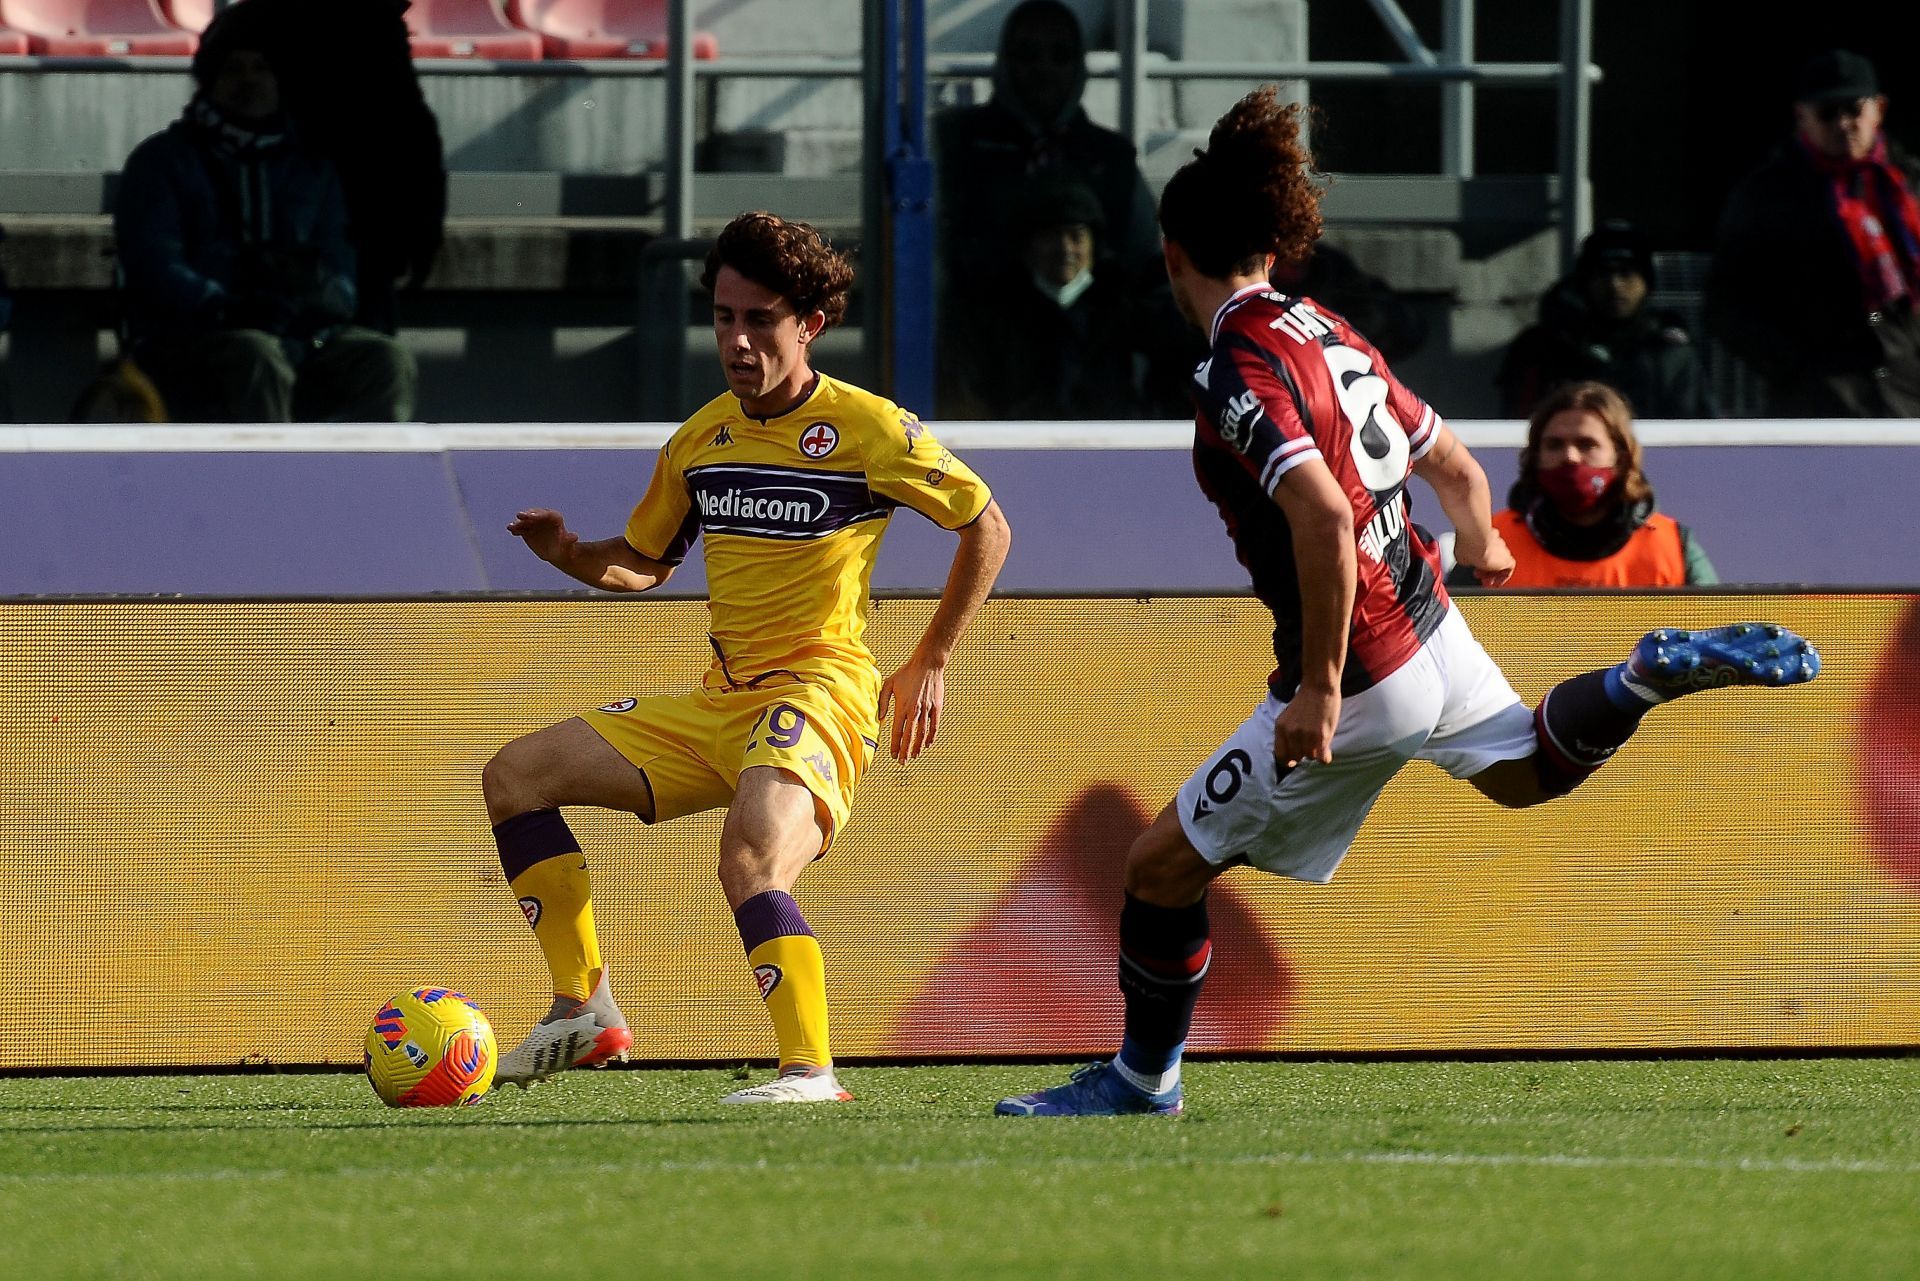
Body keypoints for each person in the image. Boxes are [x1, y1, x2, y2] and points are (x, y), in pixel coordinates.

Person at [995, 88, 1819, 1118]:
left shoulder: (1235, 364)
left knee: (1160, 868)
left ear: (1170, 254)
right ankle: (1638, 678)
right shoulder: (1326, 326)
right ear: (1269, 244)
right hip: (1428, 615)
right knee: (1521, 771)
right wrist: (1478, 541)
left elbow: (1324, 520)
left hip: (1366, 666)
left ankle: (1139, 1080)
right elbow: (1455, 463)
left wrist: (1320, 693)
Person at [485, 211, 1011, 1103]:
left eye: (759, 318)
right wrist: (570, 553)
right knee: (514, 775)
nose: (736, 338)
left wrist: (932, 658)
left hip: (823, 692)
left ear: (809, 322)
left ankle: (809, 1071)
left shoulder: (869, 430)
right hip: (719, 702)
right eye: (724, 317)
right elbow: (646, 562)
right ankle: (584, 1006)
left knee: (750, 854)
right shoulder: (699, 443)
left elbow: (986, 526)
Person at [113, 0, 417, 423]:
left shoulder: (315, 167)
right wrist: (226, 304)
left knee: (383, 359)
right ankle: (275, 485)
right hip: (191, 336)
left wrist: (310, 296)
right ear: (211, 80)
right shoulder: (163, 161)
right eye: (234, 69)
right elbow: (153, 262)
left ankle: (370, 485)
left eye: (262, 69)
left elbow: (340, 265)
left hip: (298, 333)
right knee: (257, 355)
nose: (248, 81)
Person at [1706, 49, 1920, 417]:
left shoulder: (1909, 185)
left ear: (1878, 111)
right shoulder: (1768, 194)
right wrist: (1793, 368)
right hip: (1817, 399)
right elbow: (1726, 305)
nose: (1842, 124)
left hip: (1906, 390)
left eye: (1854, 109)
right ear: (1801, 117)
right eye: (1827, 113)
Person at [940, 177, 1192, 419]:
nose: (1065, 248)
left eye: (1076, 236)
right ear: (1027, 245)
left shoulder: (1127, 307)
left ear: (1094, 245)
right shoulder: (989, 314)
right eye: (1051, 236)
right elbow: (966, 398)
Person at [1447, 380, 1716, 589]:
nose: (1570, 457)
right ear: (1535, 456)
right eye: (1555, 445)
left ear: (1622, 457)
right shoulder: (1491, 541)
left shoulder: (1674, 546)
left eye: (1587, 444)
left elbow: (1719, 638)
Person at [1498, 221, 1712, 419]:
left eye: (1626, 273)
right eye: (1603, 274)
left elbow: (1697, 437)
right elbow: (1519, 428)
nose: (1615, 285)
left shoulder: (1672, 353)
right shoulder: (1544, 348)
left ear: (1647, 283)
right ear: (1584, 282)